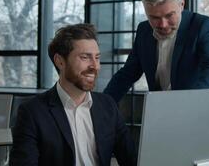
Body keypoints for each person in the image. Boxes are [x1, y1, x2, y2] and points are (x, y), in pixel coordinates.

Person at [9, 24, 137, 166]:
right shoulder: (32, 112)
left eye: (97, 58)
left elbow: (131, 159)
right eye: (85, 57)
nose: (95, 66)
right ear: (60, 61)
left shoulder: (107, 105)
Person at [104, 0, 209, 103]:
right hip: (157, 110)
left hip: (193, 108)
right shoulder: (143, 30)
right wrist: (101, 105)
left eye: (169, 15)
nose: (163, 24)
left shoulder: (203, 26)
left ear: (182, 4)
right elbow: (127, 74)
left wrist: (194, 102)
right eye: (154, 18)